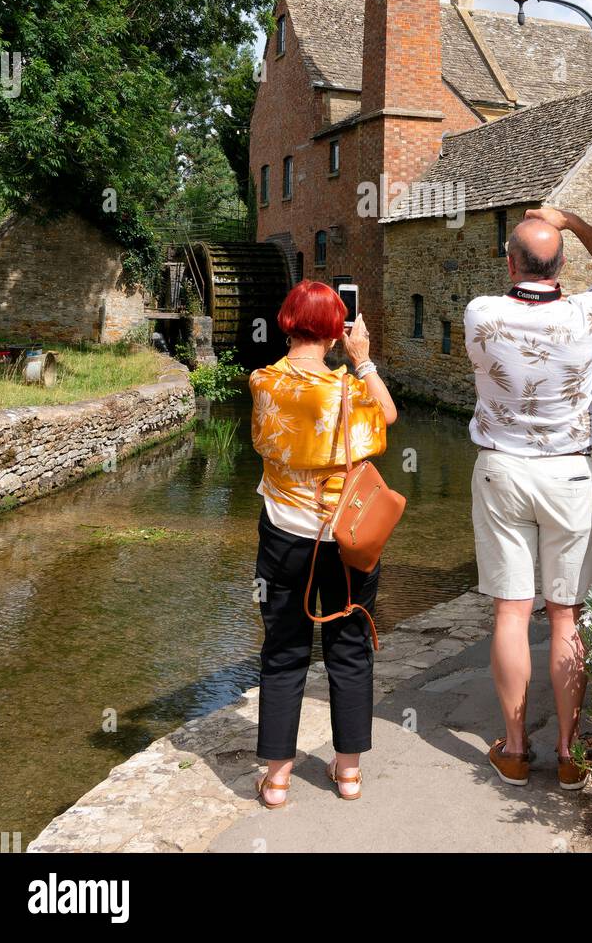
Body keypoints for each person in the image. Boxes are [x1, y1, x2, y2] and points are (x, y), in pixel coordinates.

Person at [464, 207, 592, 790]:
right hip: (568, 475)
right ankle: (572, 752)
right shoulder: (587, 313)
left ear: (510, 261)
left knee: (511, 610)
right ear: (564, 265)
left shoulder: (481, 312)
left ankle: (517, 748)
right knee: (565, 615)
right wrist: (572, 219)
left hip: (502, 469)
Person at [250, 280, 398, 808]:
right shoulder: (350, 389)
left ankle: (278, 778)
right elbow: (388, 418)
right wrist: (364, 361)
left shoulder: (261, 381)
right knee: (350, 646)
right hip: (346, 538)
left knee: (283, 651)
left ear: (287, 322)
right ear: (339, 330)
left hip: (283, 538)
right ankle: (350, 773)